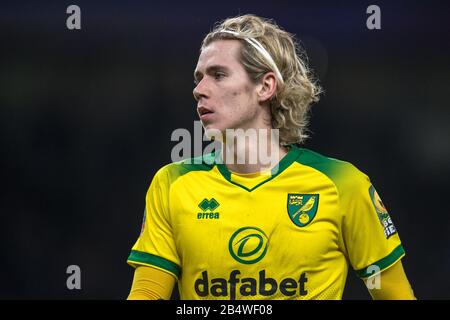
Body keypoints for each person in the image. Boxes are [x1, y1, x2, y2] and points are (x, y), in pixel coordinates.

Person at [126, 14, 415, 300]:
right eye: (198, 78)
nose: (199, 90)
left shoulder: (343, 184)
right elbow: (147, 294)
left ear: (265, 86)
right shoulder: (172, 184)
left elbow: (396, 295)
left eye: (218, 75)